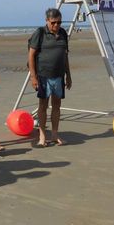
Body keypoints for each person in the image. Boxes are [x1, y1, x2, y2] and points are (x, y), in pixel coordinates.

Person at [28, 8, 72, 146]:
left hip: (59, 76)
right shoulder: (40, 33)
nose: (56, 25)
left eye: (59, 22)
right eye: (53, 22)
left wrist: (68, 75)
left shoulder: (63, 33)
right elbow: (31, 55)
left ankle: (54, 134)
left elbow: (65, 56)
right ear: (47, 20)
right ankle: (42, 136)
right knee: (43, 106)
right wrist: (33, 77)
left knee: (57, 106)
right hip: (43, 76)